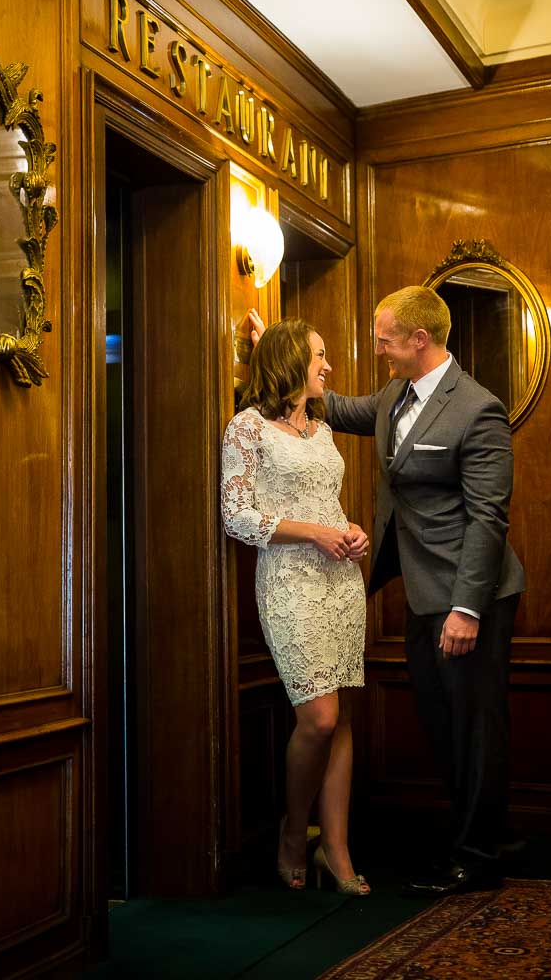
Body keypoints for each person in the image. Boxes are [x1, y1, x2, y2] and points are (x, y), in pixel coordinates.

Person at [248, 286, 525, 897]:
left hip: (469, 596)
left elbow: (488, 519)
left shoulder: (477, 409)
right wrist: (279, 353)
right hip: (422, 591)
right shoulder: (396, 395)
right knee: (442, 718)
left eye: (384, 339)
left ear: (418, 341)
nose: (376, 350)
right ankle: (477, 834)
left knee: (475, 725)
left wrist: (466, 609)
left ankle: (478, 856)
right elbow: (338, 408)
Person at [221, 319, 371, 897]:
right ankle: (292, 832)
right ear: (289, 362)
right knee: (320, 718)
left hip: (341, 583)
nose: (328, 366)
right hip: (288, 583)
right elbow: (237, 516)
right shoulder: (247, 428)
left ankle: (335, 848)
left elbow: (326, 502)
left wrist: (350, 531)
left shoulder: (322, 428)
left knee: (344, 720)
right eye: (319, 356)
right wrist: (313, 533)